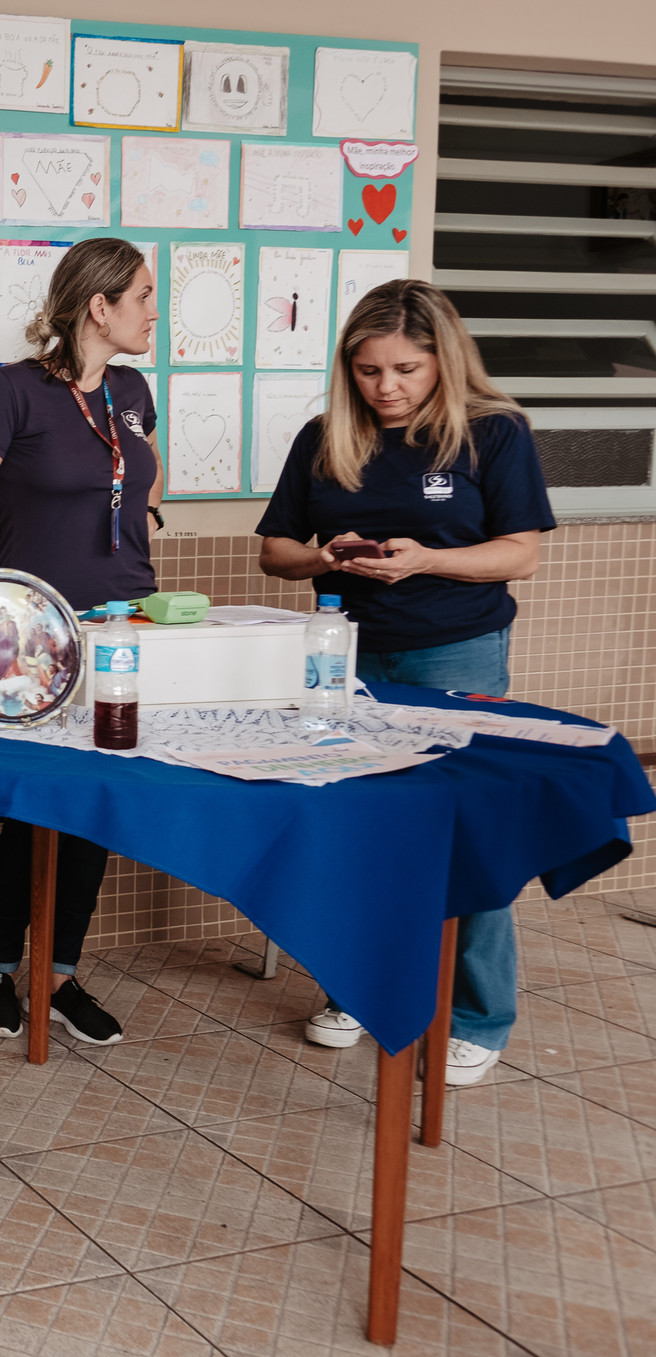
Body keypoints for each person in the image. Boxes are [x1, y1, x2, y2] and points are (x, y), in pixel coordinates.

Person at [257, 278, 552, 1086]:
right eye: (368, 370)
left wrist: (427, 560)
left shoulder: (493, 434)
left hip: (457, 653)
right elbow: (275, 550)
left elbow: (520, 551)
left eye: (407, 369)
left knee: (466, 833)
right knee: (356, 830)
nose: (386, 387)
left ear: (444, 361)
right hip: (347, 657)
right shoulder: (327, 437)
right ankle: (357, 989)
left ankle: (475, 1015)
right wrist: (325, 556)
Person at [0, 236, 165, 1047]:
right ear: (98, 307)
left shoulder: (133, 390)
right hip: (29, 639)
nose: (153, 311)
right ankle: (0, 968)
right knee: (32, 809)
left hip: (125, 630)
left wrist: (132, 532)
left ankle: (61, 975)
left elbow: (143, 479)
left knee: (94, 807)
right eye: (142, 295)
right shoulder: (10, 392)